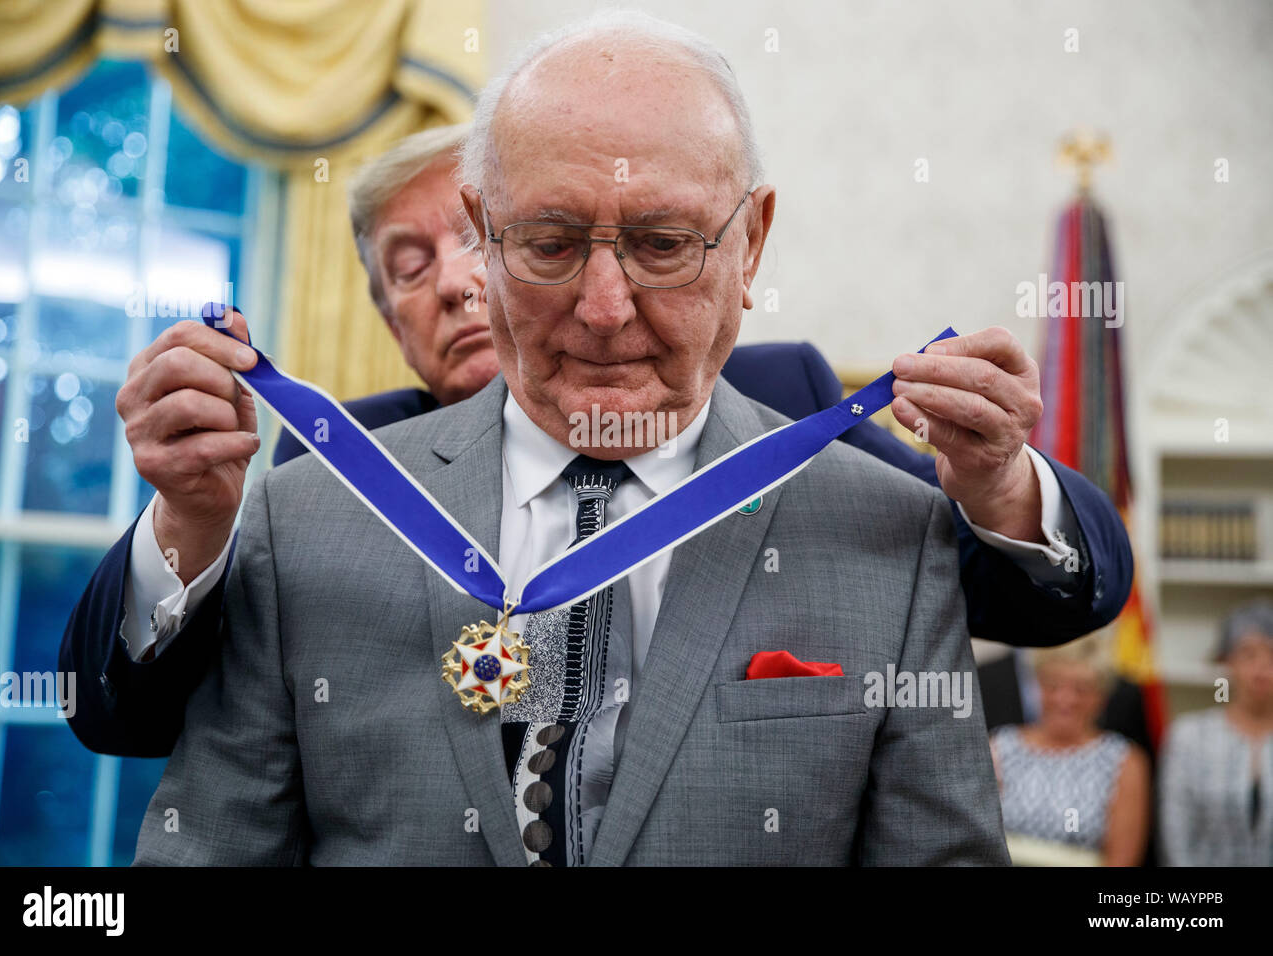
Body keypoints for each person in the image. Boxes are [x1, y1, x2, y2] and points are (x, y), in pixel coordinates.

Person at [132, 12, 1008, 865]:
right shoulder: (305, 520)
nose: (602, 310)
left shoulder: (892, 535)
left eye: (663, 244)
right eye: (548, 243)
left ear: (752, 241)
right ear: (481, 232)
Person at [61, 65, 1133, 761]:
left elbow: (1032, 604)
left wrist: (1001, 486)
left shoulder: (782, 406)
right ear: (385, 315)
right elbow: (119, 718)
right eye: (408, 263)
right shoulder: (328, 471)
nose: (455, 282)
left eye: (509, 241)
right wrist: (187, 527)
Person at [990, 636, 1150, 865]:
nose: (1065, 699)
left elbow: (1122, 859)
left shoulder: (1124, 761)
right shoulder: (999, 747)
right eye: (1053, 685)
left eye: (1081, 689)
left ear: (1102, 695)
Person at [1159, 600, 1273, 866]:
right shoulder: (1189, 737)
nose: (1262, 668)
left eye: (1272, 654)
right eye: (1248, 654)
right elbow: (1176, 838)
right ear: (1226, 661)